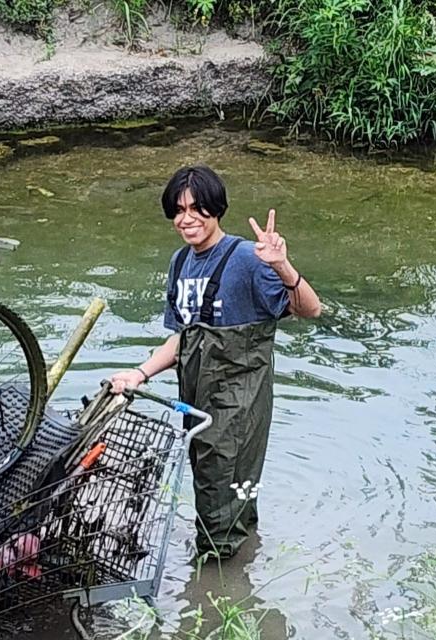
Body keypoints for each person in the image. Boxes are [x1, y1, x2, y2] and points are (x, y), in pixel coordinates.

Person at [110, 165, 321, 559]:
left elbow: (311, 309)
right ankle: (247, 554)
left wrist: (280, 264)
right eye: (178, 211)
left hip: (239, 396)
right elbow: (183, 337)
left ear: (217, 209)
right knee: (220, 482)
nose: (186, 219)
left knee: (220, 480)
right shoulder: (180, 263)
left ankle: (214, 580)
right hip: (196, 392)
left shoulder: (247, 258)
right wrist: (140, 374)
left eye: (196, 208)